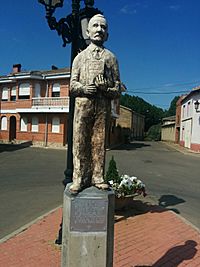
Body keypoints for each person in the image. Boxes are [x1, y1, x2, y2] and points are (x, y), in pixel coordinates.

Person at [69, 14, 121, 193]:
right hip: (83, 105)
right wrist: (84, 88)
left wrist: (105, 89)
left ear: (107, 34)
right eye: (96, 26)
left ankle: (97, 176)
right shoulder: (80, 58)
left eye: (103, 27)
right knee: (80, 141)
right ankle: (79, 177)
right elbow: (72, 86)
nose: (100, 29)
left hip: (102, 106)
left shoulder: (111, 58)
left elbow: (117, 88)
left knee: (99, 142)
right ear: (87, 31)